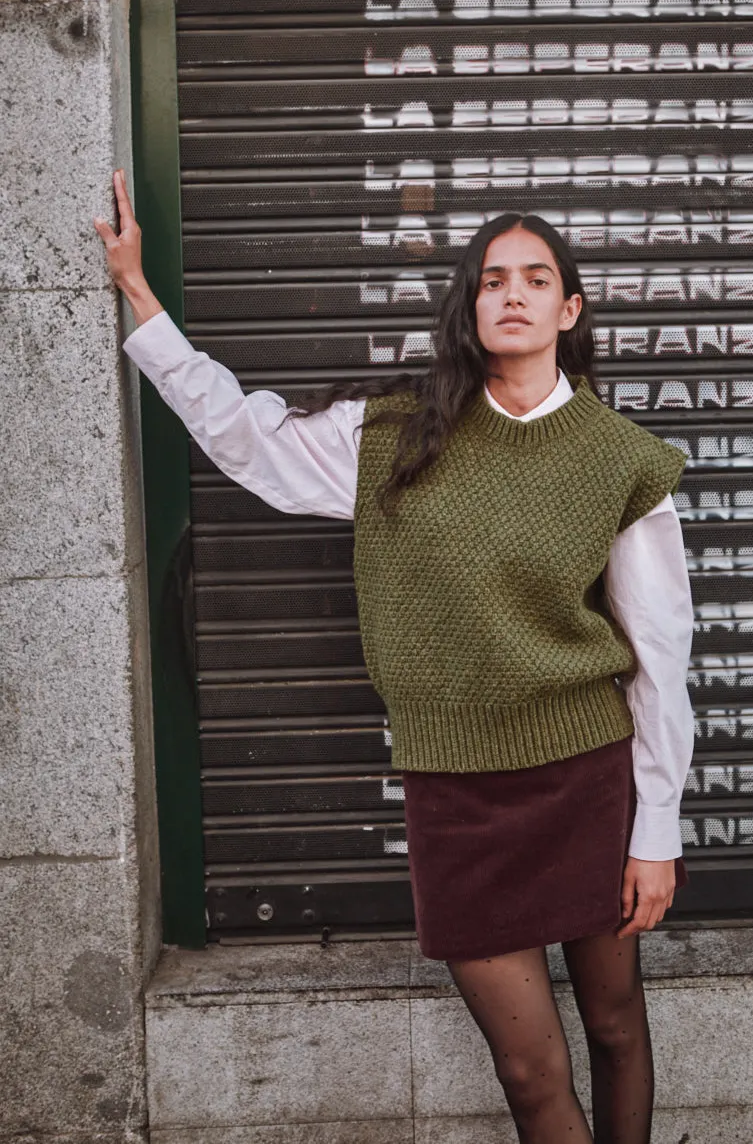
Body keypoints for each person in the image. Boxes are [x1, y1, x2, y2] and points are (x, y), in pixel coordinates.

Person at [95, 167, 695, 1144]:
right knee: (530, 1068)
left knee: (618, 1027)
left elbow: (660, 652)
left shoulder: (619, 458)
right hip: (455, 794)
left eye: (534, 278)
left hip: (587, 779)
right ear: (467, 307)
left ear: (569, 308)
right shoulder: (392, 438)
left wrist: (655, 833)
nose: (511, 293)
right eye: (490, 278)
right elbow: (245, 436)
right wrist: (141, 297)